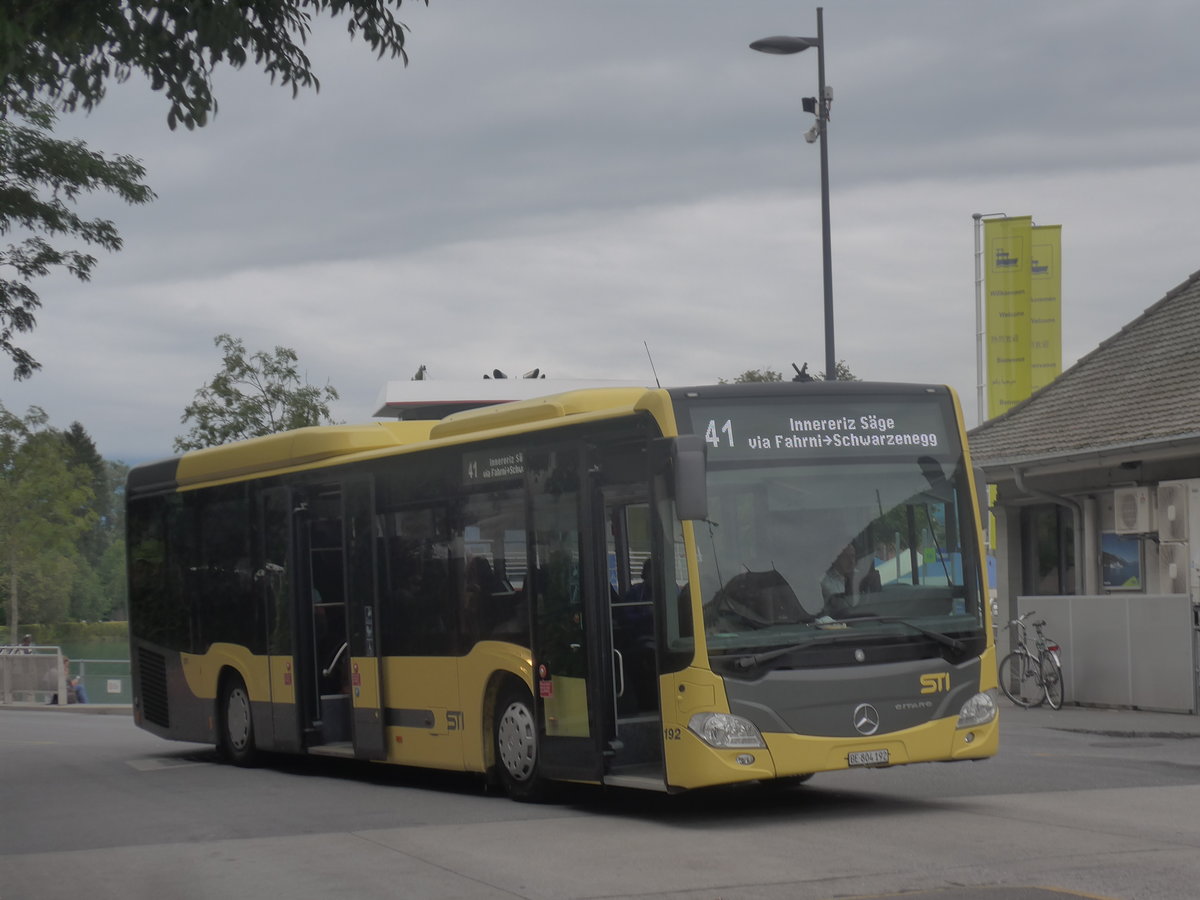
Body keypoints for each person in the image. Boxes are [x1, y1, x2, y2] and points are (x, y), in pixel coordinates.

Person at [821, 543, 880, 612]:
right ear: (835, 559)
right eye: (846, 557)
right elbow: (843, 607)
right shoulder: (825, 583)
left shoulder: (862, 576)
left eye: (852, 556)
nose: (851, 561)